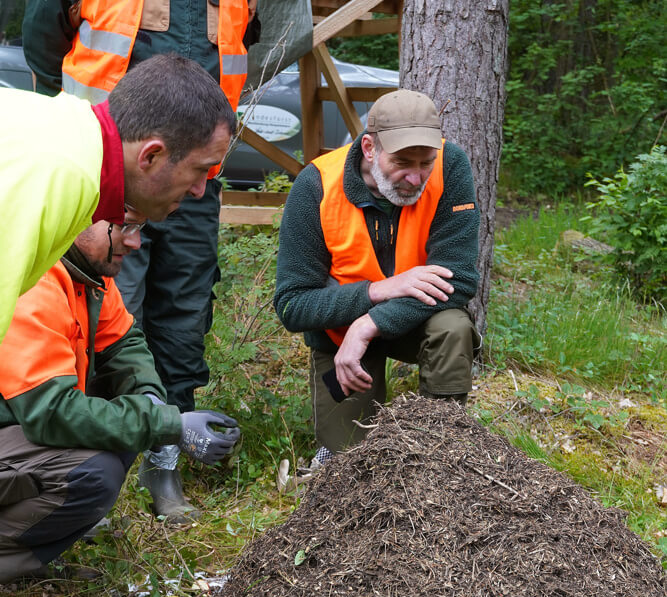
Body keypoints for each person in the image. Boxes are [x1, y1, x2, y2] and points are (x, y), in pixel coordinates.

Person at [23, 0, 256, 522]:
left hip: (187, 170)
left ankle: (164, 463)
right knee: (112, 294)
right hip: (111, 162)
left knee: (183, 310)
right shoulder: (39, 212)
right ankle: (78, 467)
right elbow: (41, 38)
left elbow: (247, 54)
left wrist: (162, 415)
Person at [0, 212, 240, 585]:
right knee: (95, 473)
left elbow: (123, 343)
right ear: (76, 221)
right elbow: (52, 412)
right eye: (123, 226)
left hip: (17, 428)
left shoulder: (89, 275)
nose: (135, 242)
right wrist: (170, 423)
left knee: (125, 430)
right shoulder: (34, 281)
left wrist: (151, 400)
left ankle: (25, 560)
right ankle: (12, 563)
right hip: (28, 419)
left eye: (138, 229)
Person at [273, 89, 480, 461]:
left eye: (425, 163)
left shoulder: (451, 166)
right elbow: (292, 305)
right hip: (340, 334)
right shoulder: (316, 185)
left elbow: (459, 278)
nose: (415, 178)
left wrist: (369, 323)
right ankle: (336, 453)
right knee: (348, 460)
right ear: (369, 148)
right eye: (402, 162)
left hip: (412, 321)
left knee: (453, 326)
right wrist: (377, 292)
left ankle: (442, 448)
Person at [0, 52, 236, 347]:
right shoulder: (62, 176)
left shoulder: (67, 131)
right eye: (200, 169)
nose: (201, 190)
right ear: (151, 155)